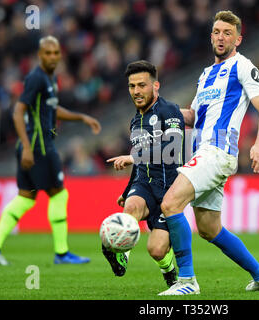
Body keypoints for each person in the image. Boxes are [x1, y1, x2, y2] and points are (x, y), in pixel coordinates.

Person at [157, 11, 259, 295]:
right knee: (209, 228)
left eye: (227, 32)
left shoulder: (242, 66)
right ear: (211, 36)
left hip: (217, 150)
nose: (221, 37)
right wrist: (161, 108)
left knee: (170, 203)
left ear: (238, 39)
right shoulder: (205, 75)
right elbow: (193, 116)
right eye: (216, 31)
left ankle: (187, 282)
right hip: (204, 152)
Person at [0, 36, 102, 265]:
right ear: (40, 55)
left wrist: (82, 117)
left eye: (56, 53)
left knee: (25, 198)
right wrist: (27, 147)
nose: (53, 57)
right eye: (48, 53)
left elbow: (53, 110)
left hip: (33, 147)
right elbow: (18, 111)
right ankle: (62, 253)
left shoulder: (49, 79)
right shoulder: (37, 78)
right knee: (59, 193)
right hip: (39, 147)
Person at [104, 60, 185, 288]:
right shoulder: (135, 120)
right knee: (130, 209)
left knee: (156, 249)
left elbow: (172, 148)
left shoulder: (169, 110)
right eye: (132, 86)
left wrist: (133, 158)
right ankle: (121, 253)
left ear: (155, 86)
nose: (137, 91)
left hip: (169, 189)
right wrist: (127, 189)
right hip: (144, 184)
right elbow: (139, 160)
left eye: (142, 85)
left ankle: (169, 270)